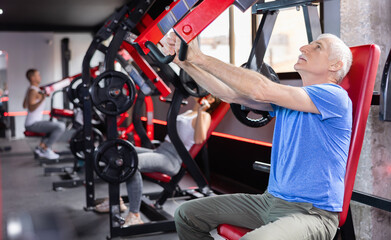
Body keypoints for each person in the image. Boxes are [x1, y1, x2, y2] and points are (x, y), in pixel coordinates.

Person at [162, 32, 353, 240]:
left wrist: (200, 57)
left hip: (311, 213)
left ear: (335, 65)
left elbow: (260, 89)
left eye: (317, 47)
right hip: (270, 201)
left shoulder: (335, 97)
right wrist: (185, 62)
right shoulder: (291, 99)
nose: (303, 48)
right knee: (187, 214)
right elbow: (229, 94)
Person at [95, 95, 221, 227]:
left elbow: (200, 140)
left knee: (134, 163)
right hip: (161, 150)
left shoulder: (205, 116)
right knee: (121, 152)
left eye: (207, 94)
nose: (200, 93)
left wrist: (201, 111)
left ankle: (134, 215)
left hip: (171, 159)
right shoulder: (189, 112)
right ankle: (116, 201)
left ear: (211, 100)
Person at [23, 69, 65, 160]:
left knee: (53, 125)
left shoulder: (32, 89)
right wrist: (42, 99)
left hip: (33, 122)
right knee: (60, 126)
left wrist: (40, 96)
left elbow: (24, 105)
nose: (40, 77)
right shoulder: (33, 91)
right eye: (38, 75)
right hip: (32, 124)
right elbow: (30, 107)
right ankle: (45, 149)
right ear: (32, 78)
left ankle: (41, 147)